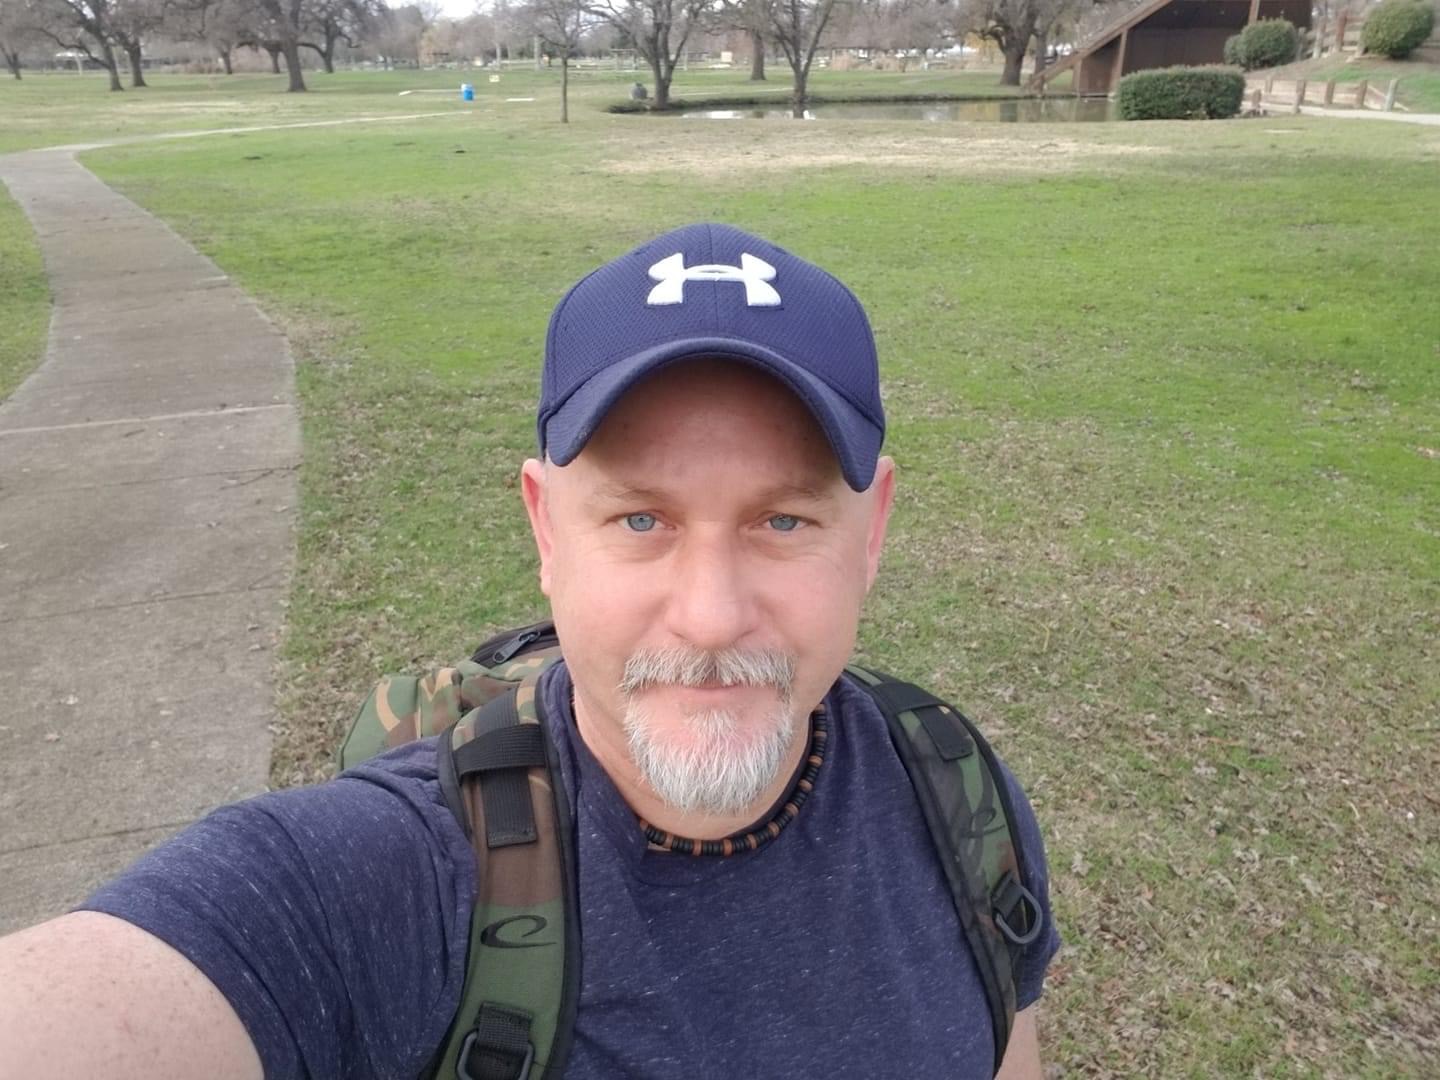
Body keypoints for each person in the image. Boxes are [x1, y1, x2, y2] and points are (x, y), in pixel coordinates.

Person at [0, 223, 1060, 1079]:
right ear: (547, 530)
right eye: (640, 519)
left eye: (783, 521)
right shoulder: (387, 880)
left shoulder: (957, 800)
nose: (710, 618)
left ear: (871, 534)